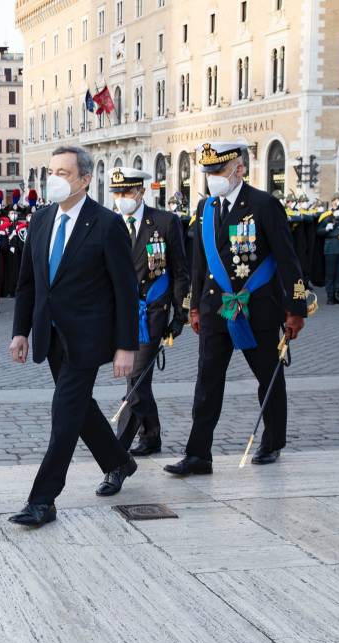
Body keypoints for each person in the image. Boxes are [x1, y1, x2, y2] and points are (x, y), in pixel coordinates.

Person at [8, 146, 139, 528]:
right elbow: (28, 283)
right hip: (50, 335)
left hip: (88, 338)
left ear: (84, 179)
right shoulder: (41, 219)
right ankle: (118, 461)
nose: (54, 179)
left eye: (63, 173)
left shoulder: (106, 224)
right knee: (80, 408)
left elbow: (126, 290)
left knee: (64, 412)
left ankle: (42, 500)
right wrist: (20, 331)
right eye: (52, 172)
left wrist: (126, 346)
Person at [166, 141, 307, 475]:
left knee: (267, 376)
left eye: (219, 171)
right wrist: (194, 307)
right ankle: (198, 454)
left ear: (239, 169)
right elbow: (199, 262)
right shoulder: (206, 207)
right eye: (209, 172)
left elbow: (287, 259)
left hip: (257, 308)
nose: (213, 177)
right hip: (215, 308)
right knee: (207, 382)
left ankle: (272, 441)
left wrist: (296, 308)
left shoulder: (264, 204)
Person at [108, 167, 190, 456]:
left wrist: (180, 314)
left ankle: (118, 449)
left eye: (127, 192)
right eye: (117, 193)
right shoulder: (110, 224)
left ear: (141, 192)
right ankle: (151, 435)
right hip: (120, 313)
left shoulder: (165, 222)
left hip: (151, 311)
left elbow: (180, 271)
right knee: (138, 379)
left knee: (136, 376)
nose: (121, 198)